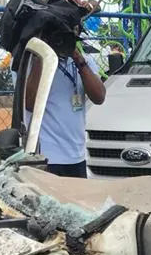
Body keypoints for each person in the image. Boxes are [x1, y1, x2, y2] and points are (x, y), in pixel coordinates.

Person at [22, 16, 106, 177]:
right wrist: (44, 54)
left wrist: (77, 58)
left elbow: (99, 97)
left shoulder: (83, 62)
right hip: (46, 157)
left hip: (77, 155)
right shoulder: (30, 61)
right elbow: (30, 103)